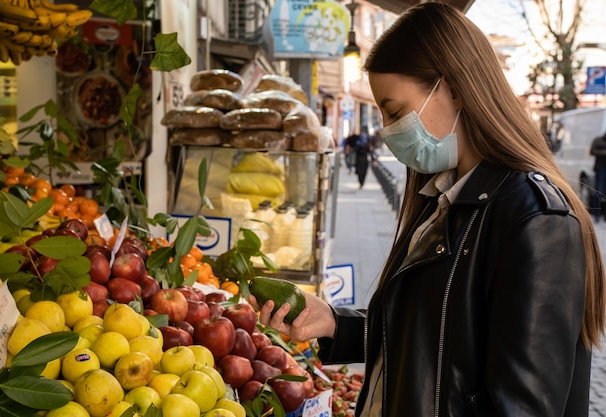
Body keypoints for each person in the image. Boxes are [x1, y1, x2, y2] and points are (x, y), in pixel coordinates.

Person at [251, 3, 606, 416]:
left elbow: (522, 405)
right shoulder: (445, 199)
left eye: (396, 112)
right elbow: (437, 341)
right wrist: (335, 323)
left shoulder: (535, 220)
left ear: (453, 86)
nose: (387, 132)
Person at [590, 132, 606, 221]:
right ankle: (596, 214)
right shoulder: (598, 140)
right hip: (600, 169)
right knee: (598, 192)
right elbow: (592, 151)